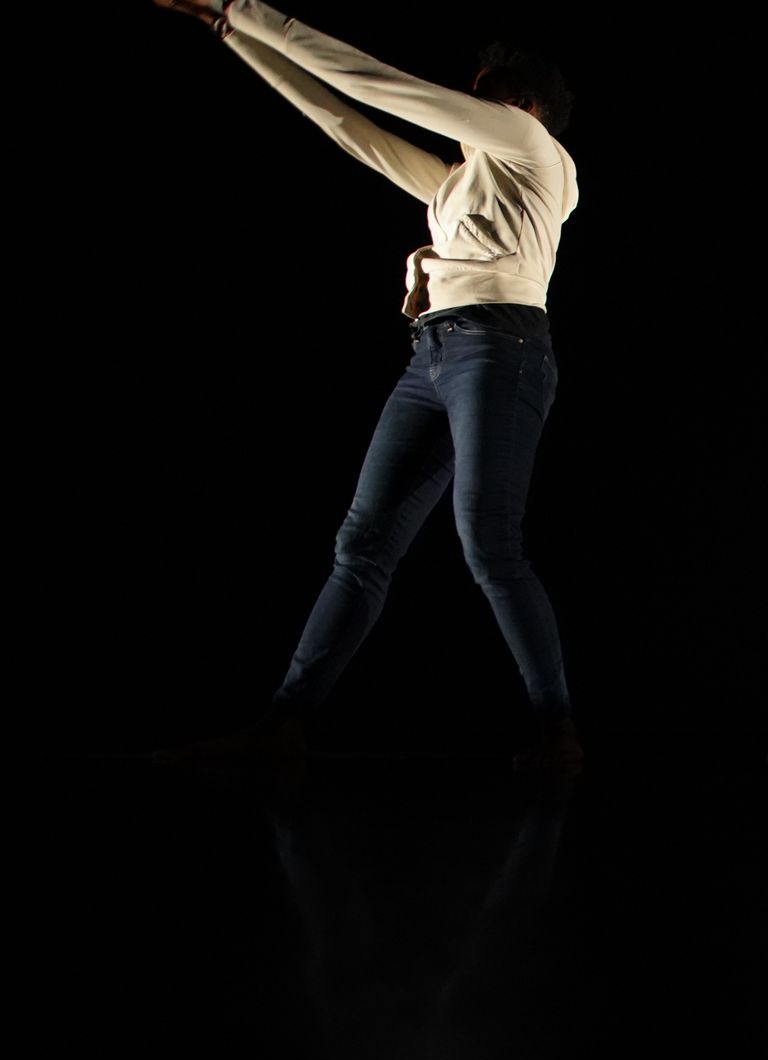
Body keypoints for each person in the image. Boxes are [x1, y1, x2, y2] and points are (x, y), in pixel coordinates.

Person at [153, 1, 583, 772]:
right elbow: (347, 124)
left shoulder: (530, 148)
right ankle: (285, 724)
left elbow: (378, 86)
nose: (465, 103)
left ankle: (557, 733)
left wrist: (241, 7)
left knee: (489, 541)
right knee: (363, 542)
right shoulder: (458, 185)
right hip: (432, 356)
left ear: (521, 107)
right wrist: (231, 37)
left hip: (501, 349)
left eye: (482, 93)